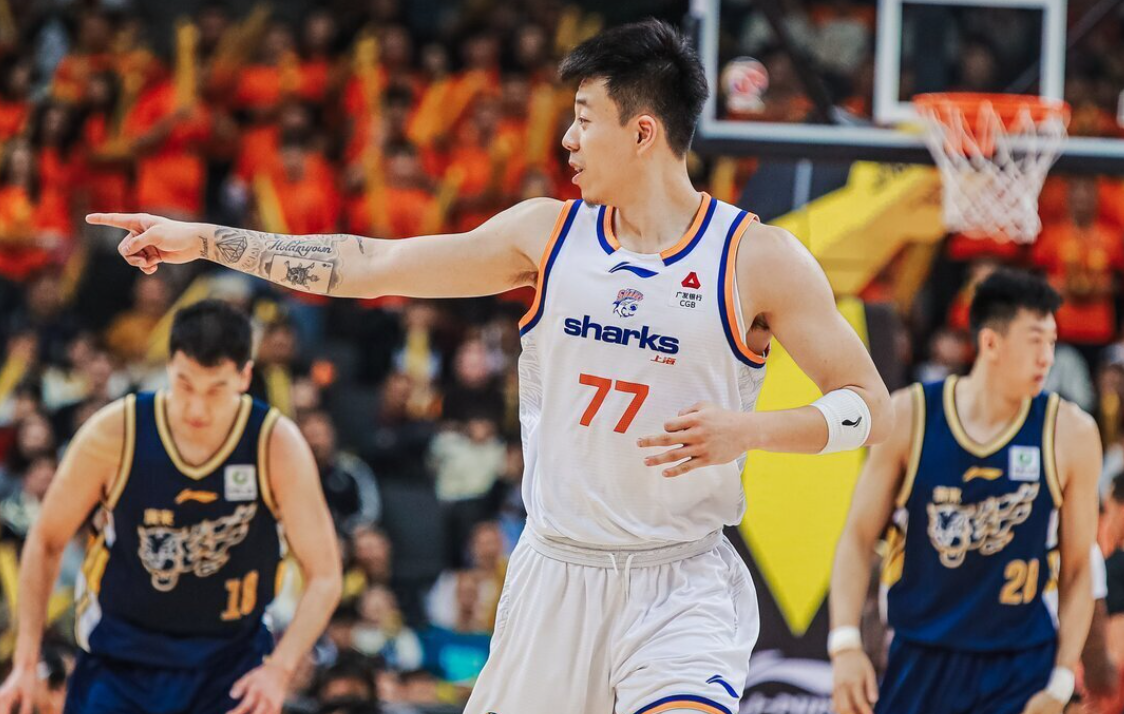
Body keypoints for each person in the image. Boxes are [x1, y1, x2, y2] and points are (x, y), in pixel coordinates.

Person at [89, 19, 891, 714]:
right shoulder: (545, 235)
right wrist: (205, 239)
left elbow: (869, 406)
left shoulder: (756, 258)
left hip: (682, 583)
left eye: (584, 120)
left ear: (643, 132)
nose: (567, 139)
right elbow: (370, 264)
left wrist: (751, 431)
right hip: (558, 574)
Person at [0, 300, 342, 714]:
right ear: (169, 367)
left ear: (244, 377)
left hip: (229, 662)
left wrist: (280, 669)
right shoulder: (115, 433)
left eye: (215, 389)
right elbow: (46, 541)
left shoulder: (275, 445)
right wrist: (25, 661)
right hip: (121, 658)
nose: (197, 407)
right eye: (185, 384)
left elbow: (325, 574)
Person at [829, 270, 1100, 714]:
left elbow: (1078, 568)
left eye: (1052, 343)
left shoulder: (1070, 433)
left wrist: (1061, 679)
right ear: (991, 343)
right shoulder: (911, 415)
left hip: (1020, 665)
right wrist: (844, 644)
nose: (1048, 358)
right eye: (1036, 341)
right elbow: (858, 538)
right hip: (921, 656)